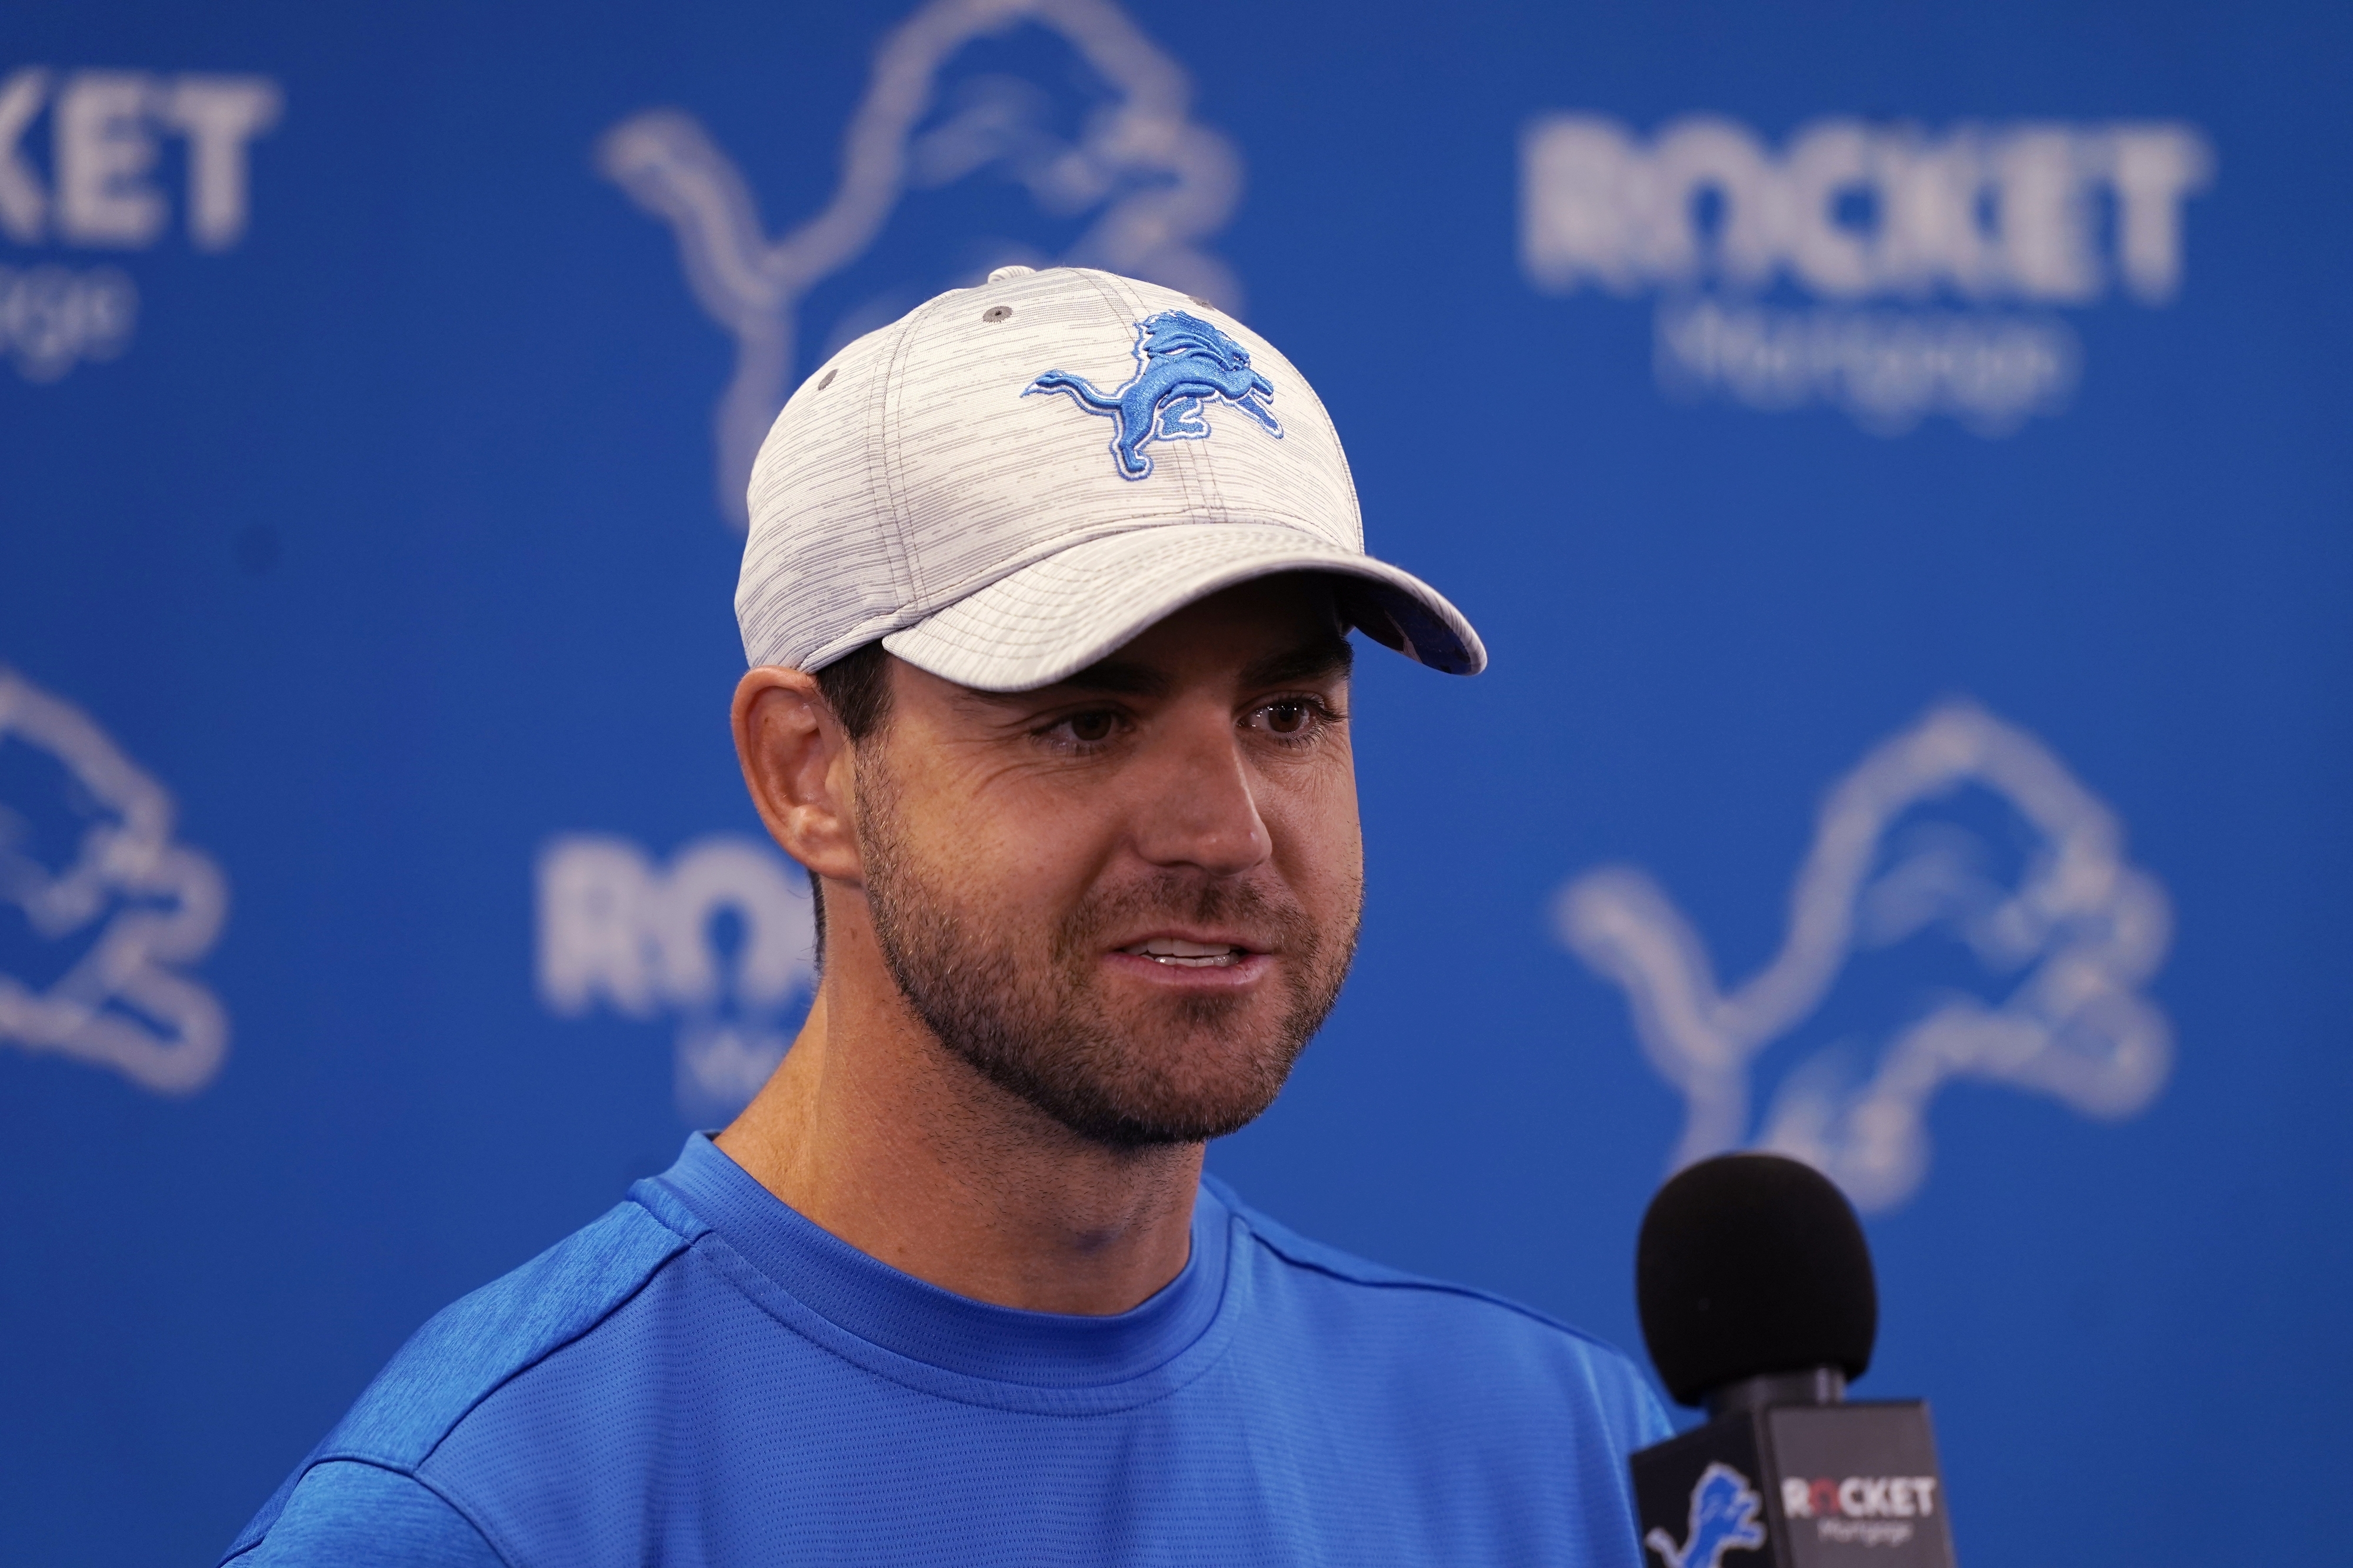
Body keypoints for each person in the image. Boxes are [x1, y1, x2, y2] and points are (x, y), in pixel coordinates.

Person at [222, 266, 1669, 1566]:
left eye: (1287, 713)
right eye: (1084, 722)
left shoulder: (1568, 1460)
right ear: (810, 774)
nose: (1226, 830)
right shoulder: (483, 1516)